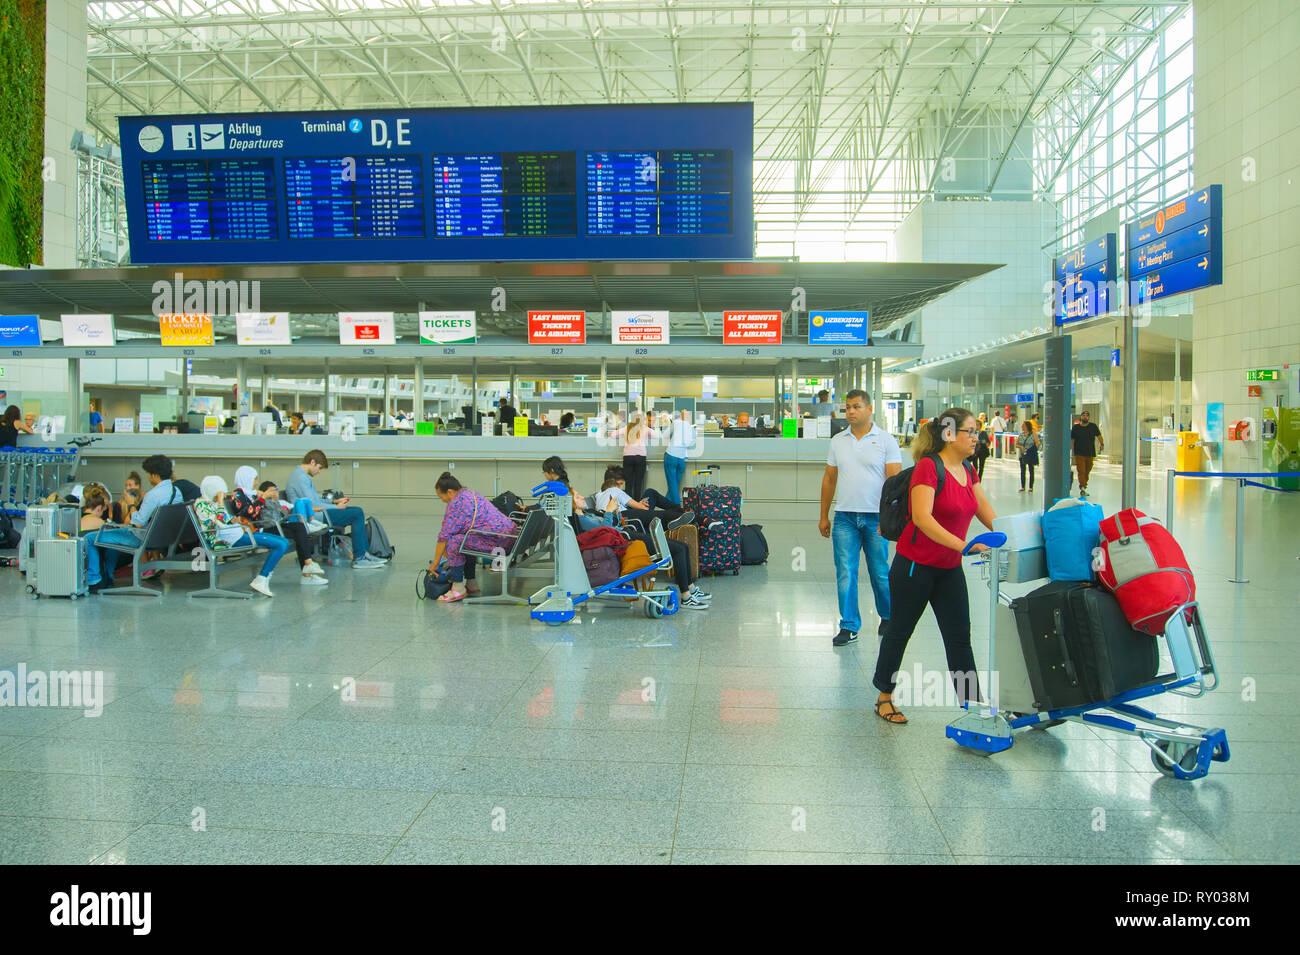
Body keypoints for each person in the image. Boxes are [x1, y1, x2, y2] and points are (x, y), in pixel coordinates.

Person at [871, 408, 998, 724]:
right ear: (950, 434)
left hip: (949, 568)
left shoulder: (968, 470)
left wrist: (1014, 535)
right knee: (900, 631)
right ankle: (884, 696)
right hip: (915, 566)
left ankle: (972, 705)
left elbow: (987, 513)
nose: (976, 437)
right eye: (970, 431)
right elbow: (923, 518)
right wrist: (965, 545)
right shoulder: (929, 468)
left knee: (959, 637)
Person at [819, 389, 903, 647]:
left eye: (856, 406)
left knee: (879, 571)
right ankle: (849, 625)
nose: (851, 411)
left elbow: (894, 482)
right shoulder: (838, 440)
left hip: (876, 518)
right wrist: (824, 515)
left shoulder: (886, 440)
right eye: (847, 407)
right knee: (845, 571)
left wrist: (890, 519)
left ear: (869, 409)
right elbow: (829, 478)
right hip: (844, 517)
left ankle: (888, 617)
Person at [284, 449, 388, 569]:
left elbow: (315, 499)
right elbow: (313, 504)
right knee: (357, 513)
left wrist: (333, 501)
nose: (318, 472)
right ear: (312, 462)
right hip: (314, 516)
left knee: (356, 511)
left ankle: (364, 554)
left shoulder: (300, 475)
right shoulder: (301, 478)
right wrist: (336, 507)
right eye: (319, 468)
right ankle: (360, 557)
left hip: (317, 513)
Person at [86, 454, 181, 584]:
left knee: (90, 538)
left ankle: (94, 579)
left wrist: (131, 504)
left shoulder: (152, 495)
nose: (147, 477)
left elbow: (138, 523)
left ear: (154, 475)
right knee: (110, 541)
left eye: (148, 473)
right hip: (163, 538)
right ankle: (108, 577)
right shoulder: (176, 492)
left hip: (142, 538)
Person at [430, 472, 519, 602]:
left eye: (441, 496)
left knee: (454, 542)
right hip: (509, 538)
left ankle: (458, 588)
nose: (442, 500)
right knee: (466, 538)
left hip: (499, 543)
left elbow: (444, 537)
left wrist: (435, 563)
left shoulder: (455, 504)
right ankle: (471, 584)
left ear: (449, 492)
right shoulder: (471, 494)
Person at [196, 475, 291, 597]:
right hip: (228, 540)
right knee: (281, 544)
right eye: (219, 495)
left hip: (238, 535)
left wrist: (233, 520)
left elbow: (225, 520)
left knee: (284, 542)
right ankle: (262, 578)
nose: (223, 497)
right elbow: (219, 521)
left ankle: (263, 578)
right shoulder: (202, 505)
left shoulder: (211, 502)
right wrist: (220, 502)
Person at [233, 467, 327, 587]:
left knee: (299, 527)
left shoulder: (250, 493)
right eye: (254, 479)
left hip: (271, 524)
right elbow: (251, 513)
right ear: (246, 479)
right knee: (295, 534)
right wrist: (263, 497)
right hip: (262, 527)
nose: (256, 483)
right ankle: (307, 570)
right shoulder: (238, 495)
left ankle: (308, 567)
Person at [79, 484, 118, 593]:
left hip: (79, 573)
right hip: (97, 578)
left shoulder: (76, 520)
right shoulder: (100, 524)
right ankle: (109, 578)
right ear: (99, 508)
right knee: (113, 548)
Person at [609, 411, 649, 501]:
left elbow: (613, 435)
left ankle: (628, 503)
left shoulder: (627, 428)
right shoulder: (644, 428)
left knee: (628, 482)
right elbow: (655, 435)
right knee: (638, 482)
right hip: (640, 457)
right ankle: (637, 503)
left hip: (628, 457)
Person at [662, 409, 697, 506]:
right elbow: (692, 442)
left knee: (672, 485)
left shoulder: (677, 423)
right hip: (681, 460)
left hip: (671, 456)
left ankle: (678, 508)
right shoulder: (692, 429)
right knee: (674, 485)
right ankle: (666, 506)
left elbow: (664, 435)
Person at [1071, 410, 1105, 497]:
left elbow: (1099, 436)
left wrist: (1102, 444)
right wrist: (1071, 449)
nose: (1085, 417)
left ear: (1088, 417)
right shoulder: (1076, 427)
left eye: (1087, 415)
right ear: (1081, 417)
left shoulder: (1093, 426)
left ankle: (1084, 485)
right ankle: (1082, 487)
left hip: (1090, 452)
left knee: (1087, 470)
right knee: (1081, 470)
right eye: (1083, 415)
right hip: (1079, 452)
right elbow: (1072, 439)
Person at [1017, 420, 1040, 492]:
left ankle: (1030, 487)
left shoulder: (1033, 434)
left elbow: (1037, 443)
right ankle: (1023, 486)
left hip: (1030, 454)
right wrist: (1021, 447)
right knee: (1022, 470)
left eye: (1023, 425)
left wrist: (1031, 449)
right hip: (1023, 455)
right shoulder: (1021, 434)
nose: (1022, 427)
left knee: (1031, 470)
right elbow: (1017, 444)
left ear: (1027, 426)